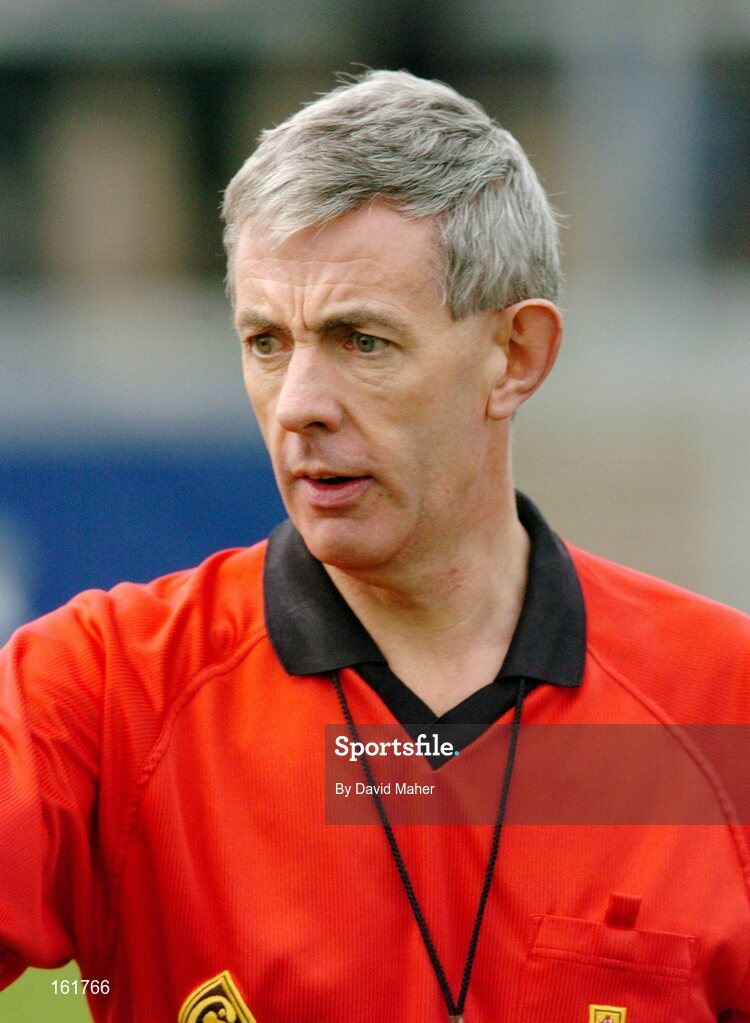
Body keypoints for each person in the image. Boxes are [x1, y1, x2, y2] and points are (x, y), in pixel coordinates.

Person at [1, 69, 749, 1023]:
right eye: (267, 342)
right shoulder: (102, 693)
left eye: (361, 341)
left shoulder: (722, 702)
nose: (301, 406)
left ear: (515, 356)